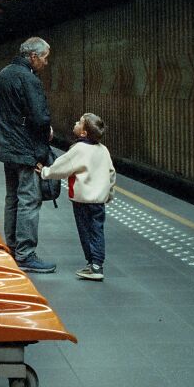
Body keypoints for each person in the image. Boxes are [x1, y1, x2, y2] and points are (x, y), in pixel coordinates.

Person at [0, 36, 56, 273]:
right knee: (29, 199)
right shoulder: (28, 78)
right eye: (45, 58)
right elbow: (39, 117)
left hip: (6, 146)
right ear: (33, 56)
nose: (46, 63)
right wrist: (44, 144)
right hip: (24, 148)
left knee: (12, 197)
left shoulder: (4, 73)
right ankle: (26, 254)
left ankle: (13, 248)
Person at [37, 112, 116, 281]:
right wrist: (108, 194)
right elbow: (111, 174)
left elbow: (61, 167)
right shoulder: (104, 150)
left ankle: (92, 265)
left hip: (82, 199)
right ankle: (97, 264)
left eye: (79, 122)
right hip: (99, 201)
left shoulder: (78, 149)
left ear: (83, 133)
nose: (75, 123)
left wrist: (45, 172)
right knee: (97, 231)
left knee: (85, 231)